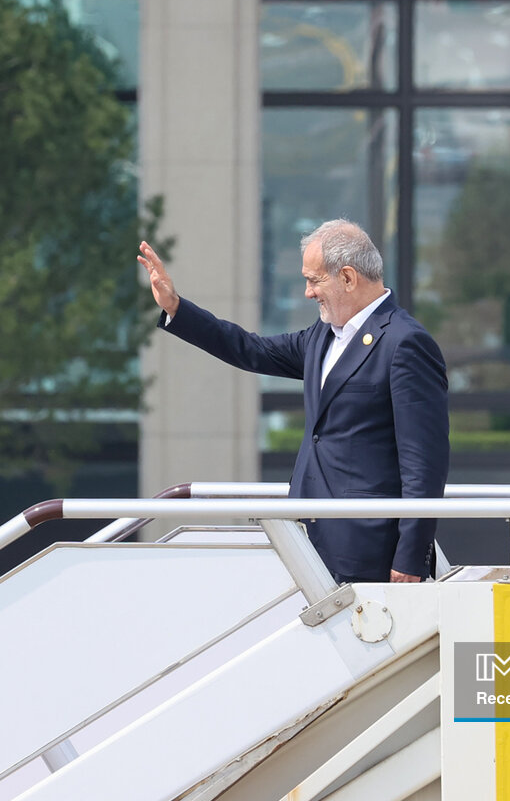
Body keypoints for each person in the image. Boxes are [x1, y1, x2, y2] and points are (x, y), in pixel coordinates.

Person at [137, 219, 449, 583]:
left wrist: (410, 558)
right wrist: (176, 307)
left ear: (348, 278)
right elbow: (251, 349)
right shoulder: (322, 335)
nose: (307, 292)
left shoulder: (404, 343)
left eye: (314, 280)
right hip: (309, 543)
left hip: (368, 551)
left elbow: (423, 465)